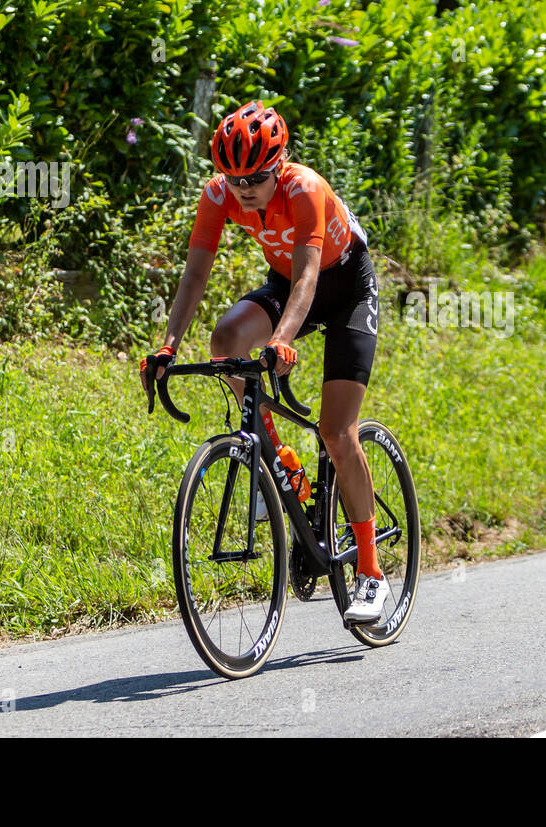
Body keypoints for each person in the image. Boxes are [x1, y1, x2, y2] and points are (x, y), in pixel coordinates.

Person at [139, 100, 390, 624]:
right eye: (232, 177)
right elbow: (194, 275)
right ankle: (281, 466)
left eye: (254, 175)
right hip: (288, 284)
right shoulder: (218, 195)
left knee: (336, 432)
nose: (243, 187)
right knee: (226, 339)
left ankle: (371, 572)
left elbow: (308, 279)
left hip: (344, 289)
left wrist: (282, 339)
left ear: (279, 165)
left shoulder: (305, 189)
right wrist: (167, 344)